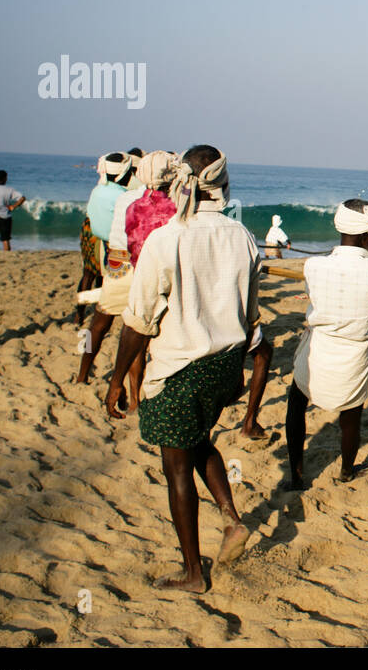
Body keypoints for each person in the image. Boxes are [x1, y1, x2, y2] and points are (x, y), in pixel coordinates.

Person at [105, 145, 258, 593]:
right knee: (197, 441)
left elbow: (138, 321)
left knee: (176, 469)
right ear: (224, 185)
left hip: (180, 367)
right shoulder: (243, 236)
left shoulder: (167, 238)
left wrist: (117, 379)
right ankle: (231, 521)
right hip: (226, 363)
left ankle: (193, 573)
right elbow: (250, 315)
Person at [284, 199, 368, 487]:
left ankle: (295, 474)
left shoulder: (314, 265)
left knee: (296, 401)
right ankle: (346, 470)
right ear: (365, 236)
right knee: (351, 414)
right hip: (354, 352)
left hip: (319, 348)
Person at [74, 151, 140, 397]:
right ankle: (132, 394)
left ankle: (83, 373)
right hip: (128, 258)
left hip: (109, 255)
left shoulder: (97, 191)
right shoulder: (126, 198)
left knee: (100, 321)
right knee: (133, 326)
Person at [0, 170, 26, 251]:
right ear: (5, 178)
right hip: (5, 216)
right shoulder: (9, 190)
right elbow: (22, 198)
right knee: (5, 240)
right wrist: (13, 206)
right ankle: (7, 254)